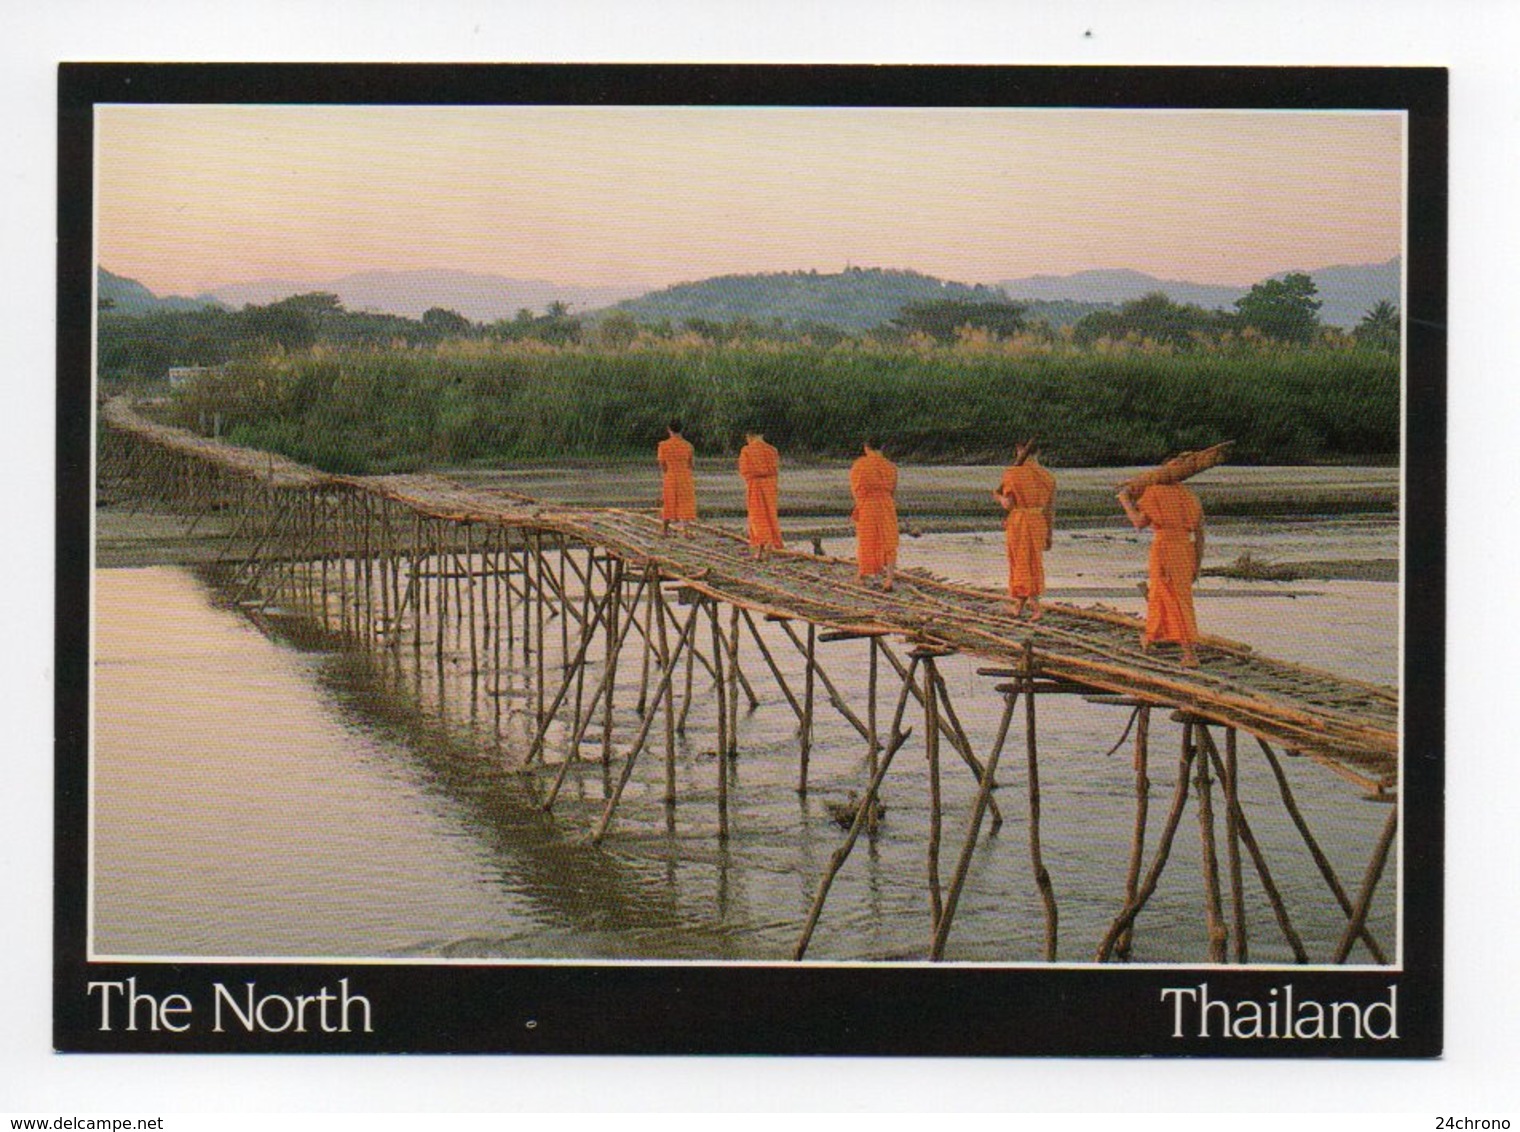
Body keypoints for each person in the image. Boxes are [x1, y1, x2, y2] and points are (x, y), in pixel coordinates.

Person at [1117, 478, 1206, 667]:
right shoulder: (1190, 497)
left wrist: (1125, 500)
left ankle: (1190, 654)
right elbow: (1200, 536)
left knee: (1173, 599)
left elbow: (1139, 522)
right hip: (1184, 550)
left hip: (1165, 549)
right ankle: (1150, 638)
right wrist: (1196, 565)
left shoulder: (1156, 492)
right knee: (1161, 595)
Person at [992, 440, 1056, 619]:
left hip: (1020, 521)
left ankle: (1035, 607)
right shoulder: (1047, 477)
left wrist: (997, 496)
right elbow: (1050, 510)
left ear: (1019, 450)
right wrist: (1050, 534)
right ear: (1039, 452)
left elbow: (1008, 504)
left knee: (1021, 563)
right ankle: (1019, 606)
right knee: (1031, 561)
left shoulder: (1012, 474)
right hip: (1038, 521)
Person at [850, 439, 899, 592]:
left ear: (866, 448)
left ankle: (863, 574)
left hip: (868, 504)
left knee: (867, 538)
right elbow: (892, 489)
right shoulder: (890, 466)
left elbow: (856, 487)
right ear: (882, 447)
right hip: (886, 504)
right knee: (889, 539)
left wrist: (859, 503)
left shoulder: (860, 464)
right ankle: (889, 578)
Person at [737, 431, 784, 560]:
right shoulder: (772, 450)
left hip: (755, 485)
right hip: (770, 486)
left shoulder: (746, 450)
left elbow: (744, 470)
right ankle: (769, 544)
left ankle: (763, 544)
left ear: (749, 436)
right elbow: (775, 469)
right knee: (770, 515)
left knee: (757, 516)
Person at [657, 420, 697, 537]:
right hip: (684, 477)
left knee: (668, 502)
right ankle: (686, 531)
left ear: (669, 429)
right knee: (686, 503)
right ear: (682, 430)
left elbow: (662, 464)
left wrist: (668, 472)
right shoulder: (688, 446)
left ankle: (664, 530)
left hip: (670, 476)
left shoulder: (663, 445)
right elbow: (691, 464)